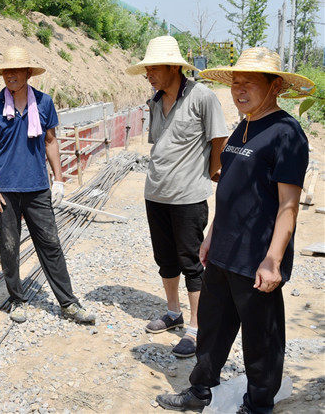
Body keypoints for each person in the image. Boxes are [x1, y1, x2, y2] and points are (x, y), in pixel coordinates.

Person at [156, 47, 314, 414]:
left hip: (257, 257)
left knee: (261, 339)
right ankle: (199, 392)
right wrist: (211, 237)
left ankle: (258, 406)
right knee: (212, 329)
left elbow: (288, 206)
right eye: (236, 83)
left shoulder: (286, 133)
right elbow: (229, 190)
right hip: (224, 251)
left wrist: (273, 261)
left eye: (250, 84)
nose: (239, 90)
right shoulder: (242, 125)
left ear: (275, 86)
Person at [0, 45, 95, 325]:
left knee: (50, 244)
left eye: (17, 70)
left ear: (29, 73)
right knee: (9, 247)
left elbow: (51, 141)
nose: (11, 75)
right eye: (7, 71)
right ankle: (17, 300)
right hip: (4, 190)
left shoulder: (43, 103)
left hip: (37, 187)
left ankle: (68, 302)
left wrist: (59, 179)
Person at [126, 36, 228, 358]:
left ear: (173, 67)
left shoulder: (203, 97)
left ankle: (196, 329)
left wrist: (212, 173)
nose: (148, 74)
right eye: (146, 69)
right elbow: (159, 142)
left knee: (192, 263)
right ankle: (173, 313)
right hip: (155, 193)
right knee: (165, 259)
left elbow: (219, 139)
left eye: (153, 68)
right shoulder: (155, 101)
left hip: (188, 197)